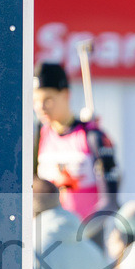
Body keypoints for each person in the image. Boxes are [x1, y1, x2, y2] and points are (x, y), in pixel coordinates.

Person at [32, 62, 120, 244]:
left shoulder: (92, 136)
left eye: (48, 99)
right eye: (35, 100)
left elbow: (110, 203)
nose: (41, 107)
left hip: (86, 242)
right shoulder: (38, 136)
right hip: (48, 242)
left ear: (65, 95)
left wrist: (77, 236)